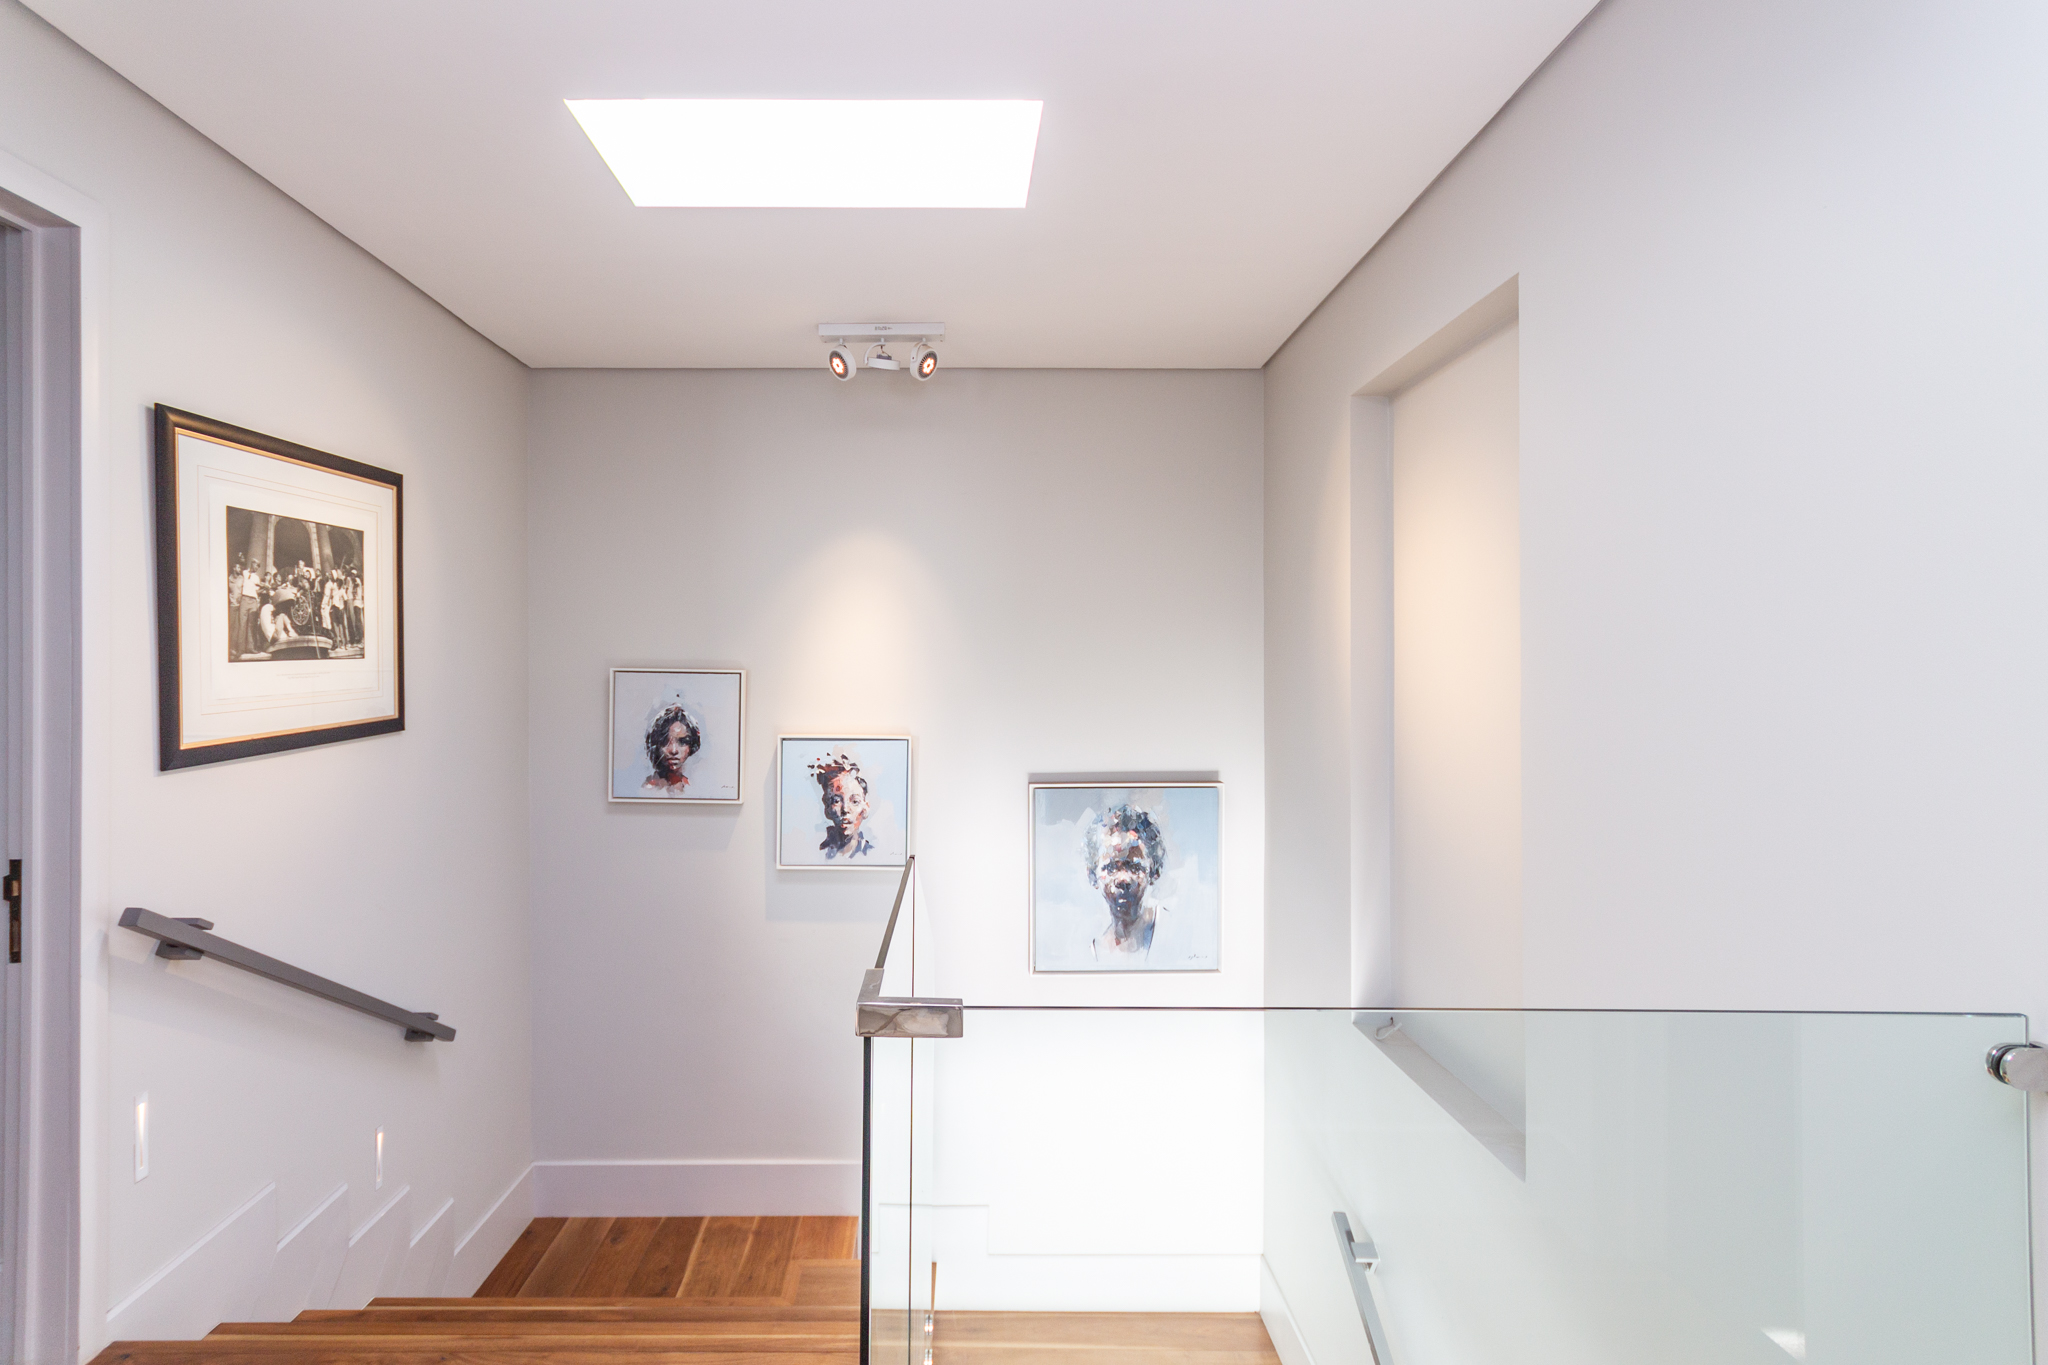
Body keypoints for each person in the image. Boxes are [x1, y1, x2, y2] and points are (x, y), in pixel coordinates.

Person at [1084, 804, 1168, 960]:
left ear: (1154, 870)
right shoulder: (1094, 954)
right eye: (1111, 867)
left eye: (1134, 866)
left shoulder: (1171, 927)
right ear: (1092, 875)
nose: (1123, 879)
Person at [811, 754, 874, 860]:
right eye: (836, 801)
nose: (845, 809)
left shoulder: (873, 854)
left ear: (865, 808)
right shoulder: (816, 853)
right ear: (827, 808)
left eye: (855, 801)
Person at [640, 704, 700, 795]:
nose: (674, 750)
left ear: (692, 745)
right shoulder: (647, 791)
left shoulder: (693, 789)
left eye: (682, 741)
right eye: (665, 742)